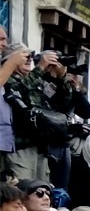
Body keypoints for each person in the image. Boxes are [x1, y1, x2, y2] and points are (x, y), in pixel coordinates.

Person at [4, 48, 75, 188]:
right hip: (19, 147)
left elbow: (63, 104)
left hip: (41, 145)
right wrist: (40, 68)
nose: (29, 60)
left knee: (41, 190)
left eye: (31, 58)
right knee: (22, 190)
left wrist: (60, 78)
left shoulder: (36, 81)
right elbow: (17, 90)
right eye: (25, 58)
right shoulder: (6, 79)